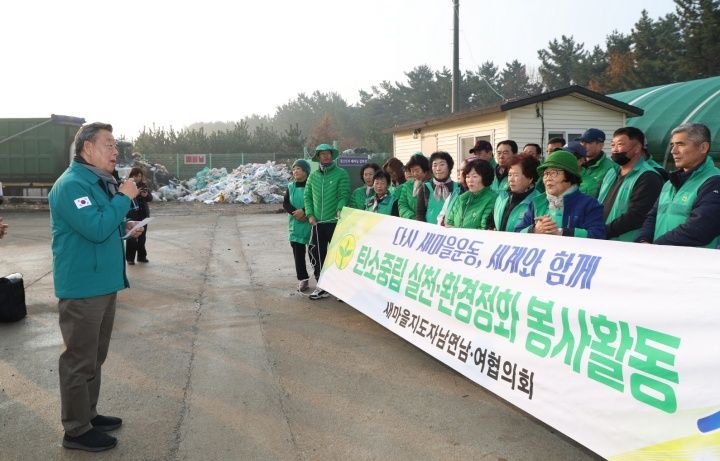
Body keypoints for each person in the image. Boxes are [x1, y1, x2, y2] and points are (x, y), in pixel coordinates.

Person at [48, 122, 143, 452]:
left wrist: (127, 223)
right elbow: (96, 227)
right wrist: (123, 199)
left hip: (102, 283)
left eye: (116, 146)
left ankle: (87, 414)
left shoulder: (98, 182)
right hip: (83, 288)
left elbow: (106, 221)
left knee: (94, 356)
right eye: (109, 145)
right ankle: (75, 430)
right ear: (87, 148)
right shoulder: (72, 185)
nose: (116, 152)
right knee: (79, 360)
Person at [637, 123, 720, 247]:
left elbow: (699, 229)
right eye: (672, 145)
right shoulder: (670, 183)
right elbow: (652, 216)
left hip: (690, 263)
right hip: (659, 259)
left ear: (703, 148)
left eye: (680, 144)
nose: (673, 151)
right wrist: (643, 241)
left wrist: (655, 248)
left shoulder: (714, 182)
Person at [517, 150, 606, 239]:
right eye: (546, 174)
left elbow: (598, 234)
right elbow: (517, 233)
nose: (548, 178)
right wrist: (534, 230)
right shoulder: (536, 203)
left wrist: (561, 232)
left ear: (569, 175)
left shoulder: (590, 204)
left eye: (554, 173)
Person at [598, 127, 663, 241]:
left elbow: (637, 215)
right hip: (602, 239)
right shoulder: (611, 172)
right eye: (613, 145)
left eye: (620, 144)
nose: (615, 150)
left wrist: (603, 231)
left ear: (637, 148)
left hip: (626, 243)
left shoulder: (648, 176)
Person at [304, 143, 350, 300]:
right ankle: (322, 286)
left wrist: (340, 208)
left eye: (328, 153)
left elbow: (344, 194)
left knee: (339, 257)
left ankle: (341, 288)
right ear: (318, 157)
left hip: (335, 222)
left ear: (332, 155)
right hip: (317, 223)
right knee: (317, 254)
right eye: (322, 154)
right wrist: (310, 215)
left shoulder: (341, 173)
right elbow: (307, 197)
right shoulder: (313, 176)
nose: (325, 156)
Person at [283, 159, 312, 292]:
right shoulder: (291, 186)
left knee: (315, 254)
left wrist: (305, 212)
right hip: (295, 223)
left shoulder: (312, 185)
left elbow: (315, 201)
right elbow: (286, 204)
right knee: (298, 254)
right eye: (294, 169)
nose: (295, 171)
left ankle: (321, 278)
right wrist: (296, 213)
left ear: (306, 171)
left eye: (298, 169)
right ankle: (303, 279)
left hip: (310, 221)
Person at [492, 154, 541, 232]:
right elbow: (491, 222)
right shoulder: (502, 196)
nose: (511, 179)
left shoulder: (538, 202)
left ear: (530, 178)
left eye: (516, 175)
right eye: (509, 175)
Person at [445, 159, 497, 229]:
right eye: (467, 177)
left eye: (474, 176)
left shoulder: (492, 199)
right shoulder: (461, 198)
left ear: (485, 177)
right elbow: (449, 222)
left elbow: (485, 229)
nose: (470, 180)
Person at [415, 151, 459, 224]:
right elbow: (420, 215)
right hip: (430, 233)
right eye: (434, 165)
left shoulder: (458, 188)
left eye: (442, 164)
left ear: (449, 167)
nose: (438, 169)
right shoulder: (425, 188)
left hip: (451, 233)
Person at [577, 128, 617, 198]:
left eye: (588, 142)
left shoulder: (611, 168)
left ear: (600, 145)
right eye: (582, 142)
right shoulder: (576, 164)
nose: (583, 145)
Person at [125, 167, 153, 265]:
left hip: (143, 215)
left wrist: (145, 195)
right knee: (131, 238)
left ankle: (142, 257)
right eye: (135, 176)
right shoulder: (127, 186)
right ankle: (130, 259)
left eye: (140, 176)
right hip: (132, 215)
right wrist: (136, 193)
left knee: (142, 238)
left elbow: (150, 198)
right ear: (131, 176)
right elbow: (125, 199)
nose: (138, 178)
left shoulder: (143, 185)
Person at [398, 153, 430, 219]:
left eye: (417, 170)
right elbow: (402, 204)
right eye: (412, 171)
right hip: (411, 223)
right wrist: (412, 217)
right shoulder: (408, 185)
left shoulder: (432, 185)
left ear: (425, 169)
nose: (415, 174)